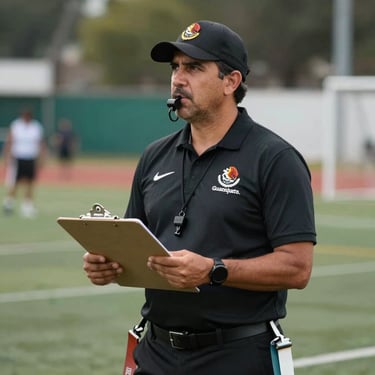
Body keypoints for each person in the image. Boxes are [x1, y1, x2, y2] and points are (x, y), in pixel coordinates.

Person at [83, 20, 316, 374]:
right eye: (175, 67)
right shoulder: (154, 156)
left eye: (193, 68)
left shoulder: (274, 158)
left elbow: (298, 268)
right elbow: (140, 245)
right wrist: (111, 265)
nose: (178, 78)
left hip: (236, 355)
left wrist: (212, 271)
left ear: (230, 81)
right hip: (156, 353)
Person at [2, 108, 46, 217]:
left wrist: (42, 157)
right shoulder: (16, 125)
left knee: (29, 182)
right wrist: (7, 156)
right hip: (18, 157)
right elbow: (10, 141)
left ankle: (27, 206)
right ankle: (9, 203)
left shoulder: (36, 127)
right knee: (14, 182)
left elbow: (40, 143)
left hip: (30, 158)